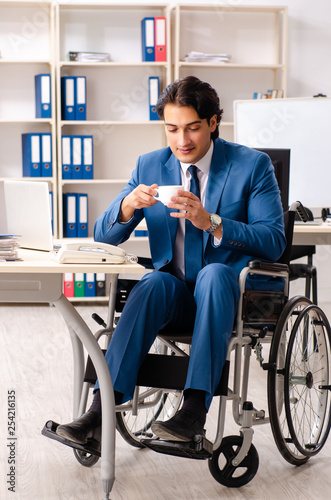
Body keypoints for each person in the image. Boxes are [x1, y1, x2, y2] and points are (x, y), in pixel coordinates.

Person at [56, 76, 286, 444]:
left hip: (229, 300)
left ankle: (193, 411)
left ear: (213, 123)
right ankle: (99, 414)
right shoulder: (149, 165)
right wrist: (128, 206)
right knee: (153, 281)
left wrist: (210, 221)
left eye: (193, 128)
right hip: (175, 297)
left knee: (214, 274)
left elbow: (274, 241)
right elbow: (103, 237)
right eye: (172, 129)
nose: (183, 141)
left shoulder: (252, 165)